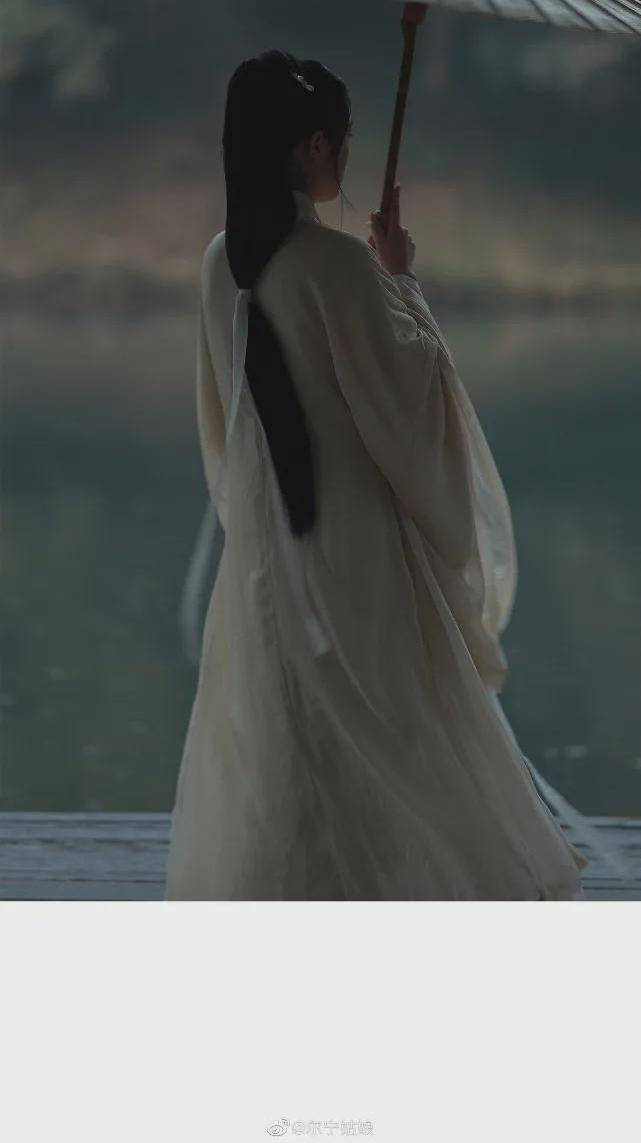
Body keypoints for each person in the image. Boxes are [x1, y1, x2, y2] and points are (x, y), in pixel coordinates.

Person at [167, 49, 581, 900]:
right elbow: (407, 406)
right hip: (352, 542)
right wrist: (401, 281)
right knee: (393, 724)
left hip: (265, 538)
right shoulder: (336, 266)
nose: (347, 157)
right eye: (343, 140)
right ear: (315, 145)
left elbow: (221, 414)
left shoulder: (220, 261)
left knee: (289, 727)